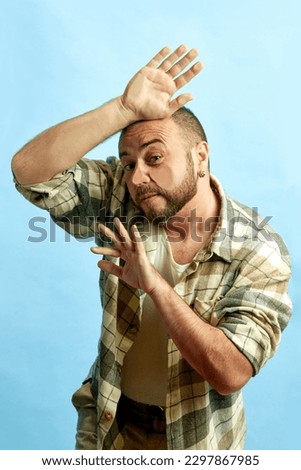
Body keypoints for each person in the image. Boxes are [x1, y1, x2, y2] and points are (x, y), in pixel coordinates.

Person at [12, 45, 292, 450]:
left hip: (198, 440)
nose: (138, 176)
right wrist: (123, 108)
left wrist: (156, 286)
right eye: (128, 163)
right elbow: (30, 172)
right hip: (110, 421)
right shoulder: (121, 199)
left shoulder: (258, 250)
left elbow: (231, 371)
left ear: (200, 157)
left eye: (154, 156)